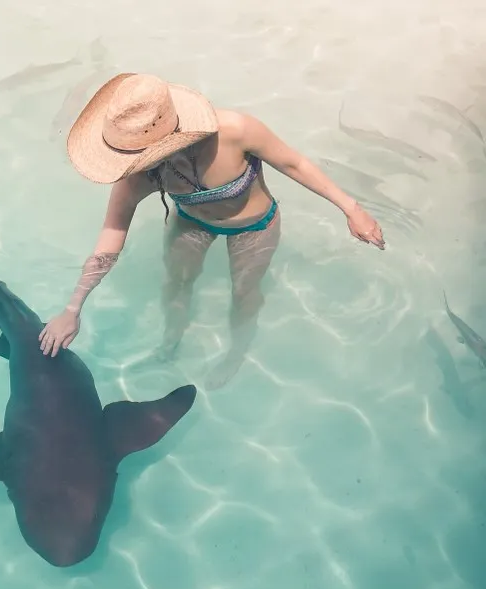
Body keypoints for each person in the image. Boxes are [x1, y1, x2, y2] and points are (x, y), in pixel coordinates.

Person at [38, 73, 385, 389]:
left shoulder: (235, 131)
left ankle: (236, 351)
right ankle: (170, 342)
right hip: (191, 222)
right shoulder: (136, 176)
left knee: (244, 293)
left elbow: (295, 164)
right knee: (176, 283)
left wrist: (352, 209)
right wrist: (73, 308)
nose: (137, 166)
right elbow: (109, 241)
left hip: (255, 226)